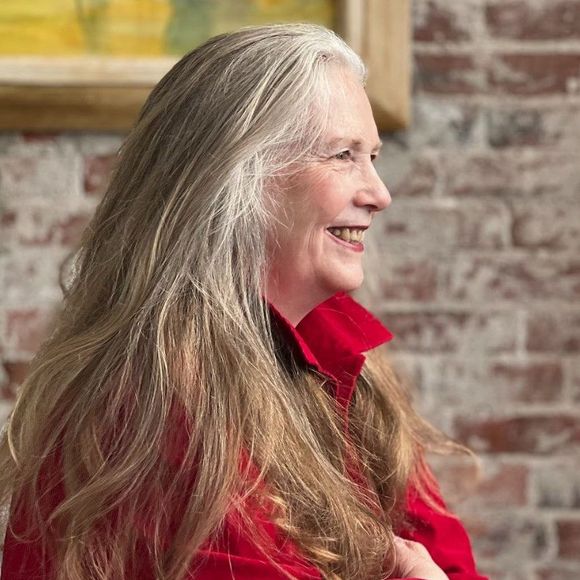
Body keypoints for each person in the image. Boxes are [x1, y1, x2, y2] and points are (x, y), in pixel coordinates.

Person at [0, 24, 488, 580]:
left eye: (371, 155)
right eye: (343, 155)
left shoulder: (344, 366)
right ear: (237, 178)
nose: (379, 193)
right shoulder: (164, 410)